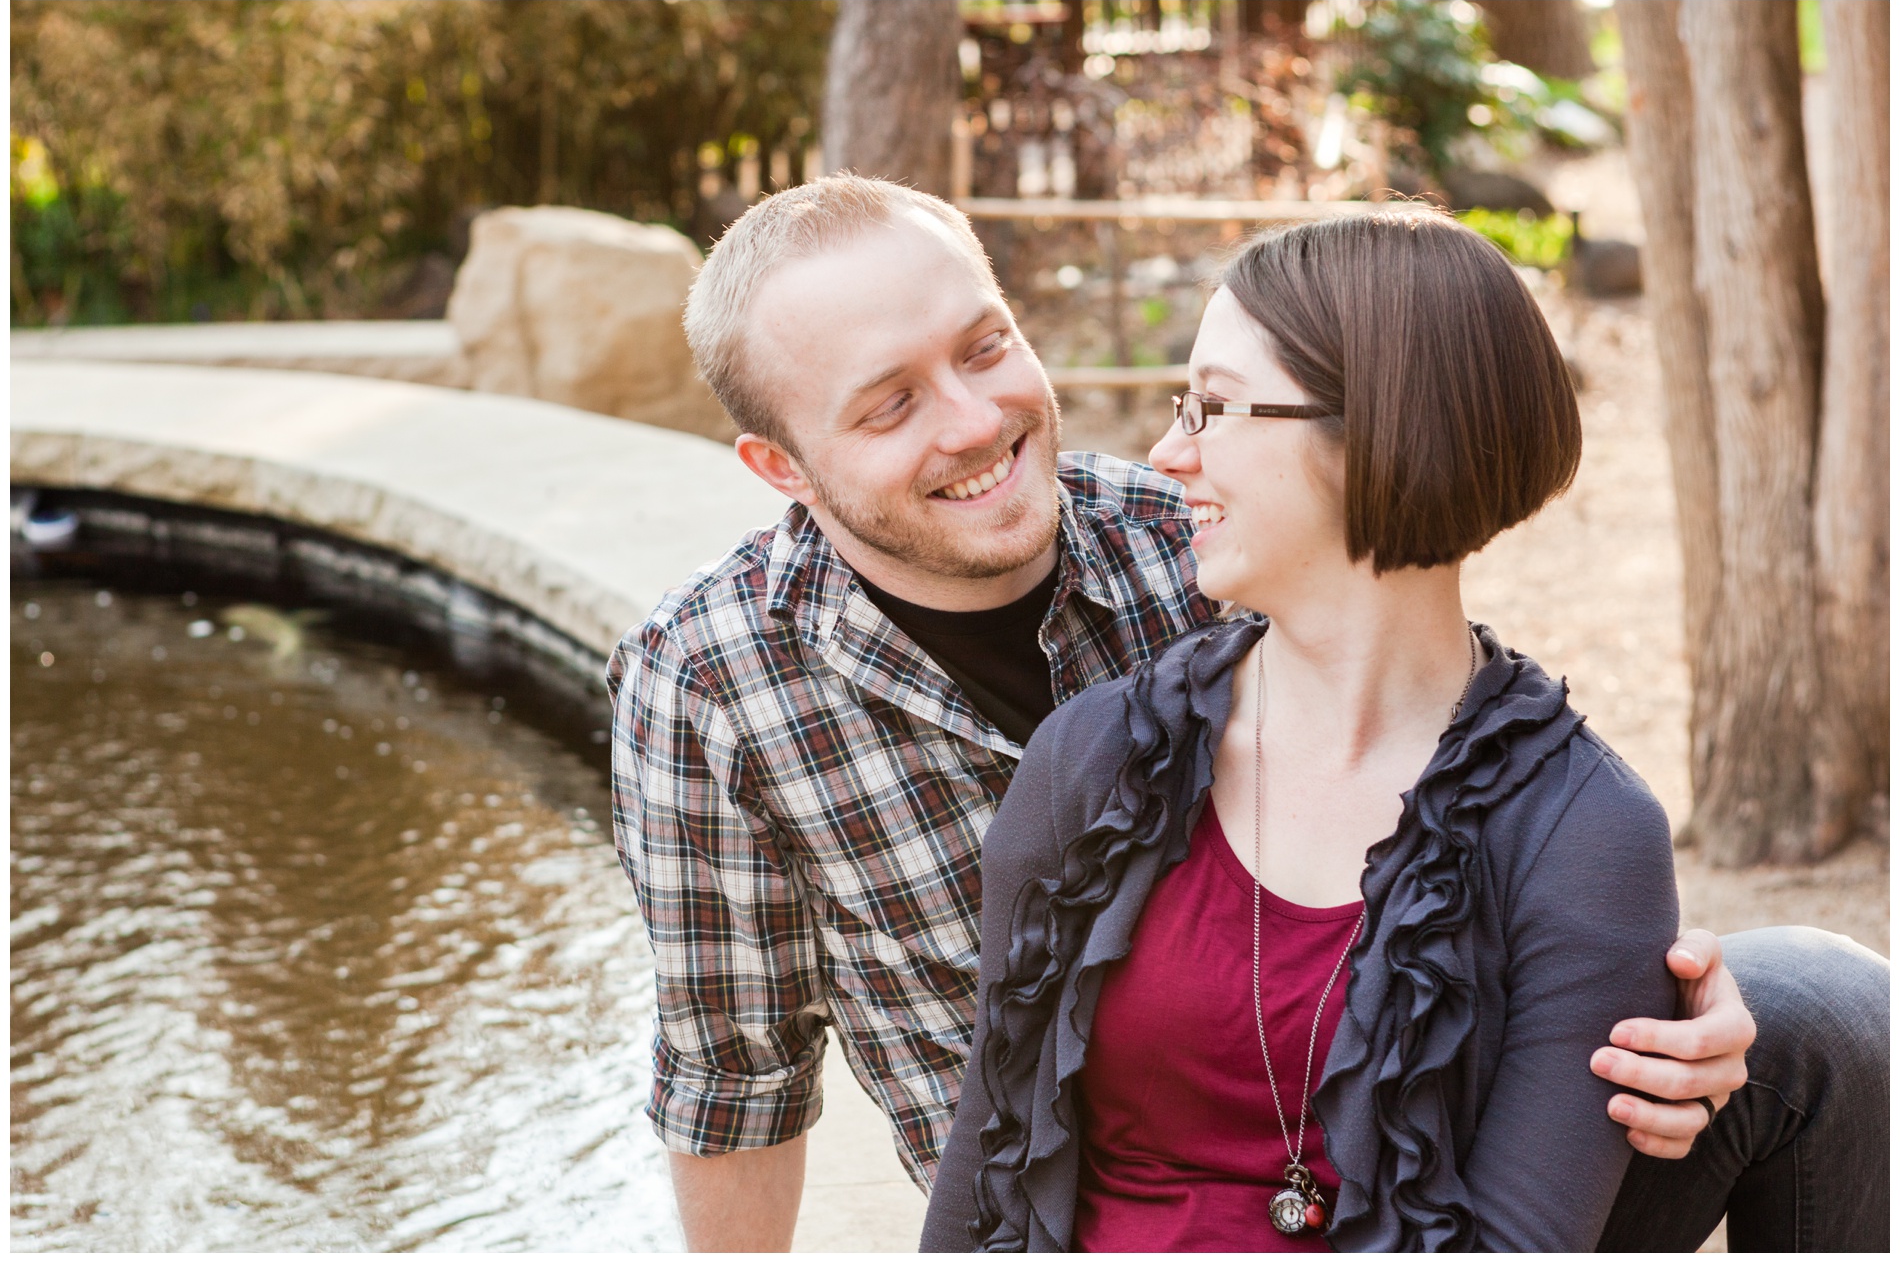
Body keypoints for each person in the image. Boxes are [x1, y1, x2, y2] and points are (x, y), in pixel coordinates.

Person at [604, 176, 1887, 1251]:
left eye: (987, 345)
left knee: (1820, 1009)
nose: (978, 418)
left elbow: (1445, 750)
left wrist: (1635, 981)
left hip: (1418, 1156)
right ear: (781, 468)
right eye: (889, 404)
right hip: (1067, 1185)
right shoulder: (712, 678)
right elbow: (735, 1071)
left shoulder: (1200, 537)